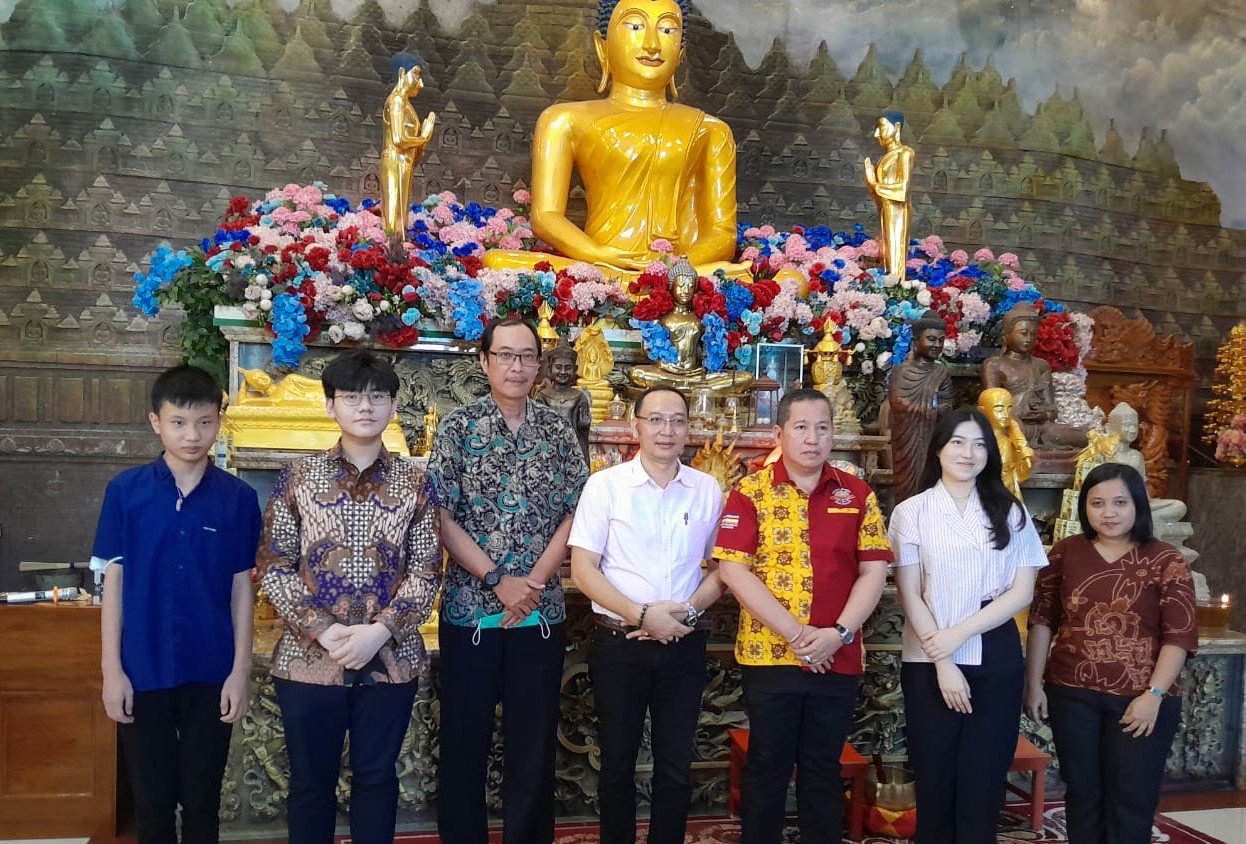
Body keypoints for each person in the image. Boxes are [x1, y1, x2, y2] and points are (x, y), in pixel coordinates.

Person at [257, 350, 441, 844]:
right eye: (352, 396)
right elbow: (274, 564)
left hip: (390, 661)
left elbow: (427, 570)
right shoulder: (298, 476)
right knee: (309, 785)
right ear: (330, 405)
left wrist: (379, 632)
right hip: (308, 660)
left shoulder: (416, 482)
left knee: (377, 780)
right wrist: (325, 631)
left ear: (393, 406)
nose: (365, 406)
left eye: (377, 396)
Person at [429, 317, 589, 844]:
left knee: (533, 742)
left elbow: (578, 510)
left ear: (538, 365)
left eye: (526, 356)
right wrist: (497, 578)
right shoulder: (458, 427)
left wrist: (535, 582)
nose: (516, 366)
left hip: (539, 614)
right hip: (470, 611)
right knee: (464, 739)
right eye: (505, 355)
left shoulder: (557, 430)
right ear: (485, 361)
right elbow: (441, 515)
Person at [714, 388, 891, 844]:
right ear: (779, 434)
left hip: (837, 657)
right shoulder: (750, 492)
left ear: (833, 434)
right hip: (770, 655)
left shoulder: (856, 493)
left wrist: (838, 633)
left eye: (822, 428)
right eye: (801, 427)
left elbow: (874, 571)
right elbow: (733, 570)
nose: (813, 438)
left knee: (822, 768)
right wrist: (796, 634)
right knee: (767, 766)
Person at [93, 364, 261, 844]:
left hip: (212, 670)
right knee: (152, 801)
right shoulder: (125, 493)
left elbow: (242, 589)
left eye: (205, 422)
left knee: (204, 799)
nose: (192, 435)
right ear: (156, 422)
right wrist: (111, 671)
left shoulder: (238, 498)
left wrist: (240, 671)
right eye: (179, 422)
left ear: (219, 421)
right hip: (141, 669)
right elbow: (113, 584)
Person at [569, 386, 724, 844]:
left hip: (682, 642)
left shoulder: (706, 489)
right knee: (616, 762)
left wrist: (686, 613)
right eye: (655, 419)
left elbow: (723, 568)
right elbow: (583, 569)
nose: (666, 430)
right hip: (620, 644)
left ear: (689, 429)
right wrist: (641, 615)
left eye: (677, 420)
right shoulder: (606, 486)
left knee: (676, 764)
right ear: (635, 427)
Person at [888, 406, 1048, 844]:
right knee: (934, 772)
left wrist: (957, 637)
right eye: (957, 442)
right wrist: (944, 662)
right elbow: (910, 593)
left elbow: (1022, 591)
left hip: (994, 648)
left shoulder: (1010, 511)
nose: (968, 453)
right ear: (938, 449)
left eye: (979, 444)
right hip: (927, 654)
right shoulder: (911, 512)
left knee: (984, 775)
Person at [1025, 462, 1196, 844]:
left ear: (1138, 505)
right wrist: (1033, 685)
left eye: (1120, 502)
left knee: (1131, 797)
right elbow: (1041, 621)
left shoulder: (1166, 560)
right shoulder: (1064, 553)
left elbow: (1179, 635)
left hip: (1141, 699)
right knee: (1082, 792)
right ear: (1083, 507)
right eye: (1097, 503)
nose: (1108, 512)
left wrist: (1153, 694)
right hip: (1071, 693)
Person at [888, 310, 953, 503]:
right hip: (906, 439)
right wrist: (932, 404)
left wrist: (933, 406)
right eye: (931, 339)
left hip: (932, 438)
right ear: (915, 342)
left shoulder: (941, 372)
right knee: (905, 488)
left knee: (930, 482)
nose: (937, 345)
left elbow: (947, 405)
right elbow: (898, 402)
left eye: (941, 340)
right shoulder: (900, 371)